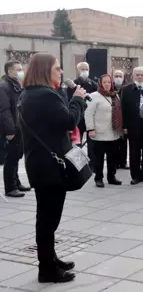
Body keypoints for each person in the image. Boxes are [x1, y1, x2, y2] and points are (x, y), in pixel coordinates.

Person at [19, 53, 87, 283]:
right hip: (49, 165)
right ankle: (46, 269)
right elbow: (69, 121)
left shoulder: (31, 94)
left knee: (47, 217)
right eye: (57, 68)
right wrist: (77, 98)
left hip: (40, 163)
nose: (61, 72)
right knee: (48, 219)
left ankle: (50, 258)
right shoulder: (44, 96)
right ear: (45, 70)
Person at [84, 74, 124, 188]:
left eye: (109, 82)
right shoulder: (93, 96)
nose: (107, 84)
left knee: (112, 157)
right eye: (104, 82)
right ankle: (99, 178)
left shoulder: (115, 96)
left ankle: (111, 177)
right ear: (100, 83)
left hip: (113, 132)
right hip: (99, 133)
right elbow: (88, 113)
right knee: (99, 158)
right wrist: (90, 129)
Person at [0, 60, 31, 197]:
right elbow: (4, 110)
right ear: (9, 71)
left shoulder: (17, 85)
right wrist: (10, 130)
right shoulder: (4, 86)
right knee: (10, 158)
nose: (21, 71)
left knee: (16, 156)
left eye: (21, 69)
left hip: (19, 127)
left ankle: (16, 182)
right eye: (18, 69)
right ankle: (10, 187)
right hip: (12, 128)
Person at [67, 62, 98, 164]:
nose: (84, 71)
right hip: (77, 116)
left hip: (89, 117)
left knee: (92, 142)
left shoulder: (94, 84)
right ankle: (78, 164)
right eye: (82, 69)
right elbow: (69, 100)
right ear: (78, 70)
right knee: (77, 142)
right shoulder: (73, 84)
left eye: (86, 69)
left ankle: (92, 164)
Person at [112, 69, 129, 170]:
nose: (118, 78)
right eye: (116, 76)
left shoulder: (126, 88)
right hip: (113, 118)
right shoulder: (110, 87)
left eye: (120, 76)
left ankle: (123, 162)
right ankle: (115, 162)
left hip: (124, 118)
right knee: (114, 142)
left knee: (123, 142)